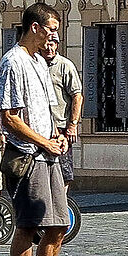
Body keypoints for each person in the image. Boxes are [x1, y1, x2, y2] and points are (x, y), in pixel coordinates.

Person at [0, 3, 78, 256]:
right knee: (29, 226)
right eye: (51, 28)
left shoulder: (40, 63)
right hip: (27, 156)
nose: (54, 35)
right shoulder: (13, 62)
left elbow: (45, 110)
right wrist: (44, 141)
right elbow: (9, 118)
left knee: (59, 225)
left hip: (49, 153)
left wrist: (57, 135)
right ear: (35, 27)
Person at [42, 32, 85, 192]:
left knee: (63, 171)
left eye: (52, 43)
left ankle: (61, 204)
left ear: (57, 45)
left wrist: (73, 125)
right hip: (39, 128)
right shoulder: (36, 64)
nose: (48, 47)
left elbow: (77, 96)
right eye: (45, 43)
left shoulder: (64, 65)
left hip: (60, 128)